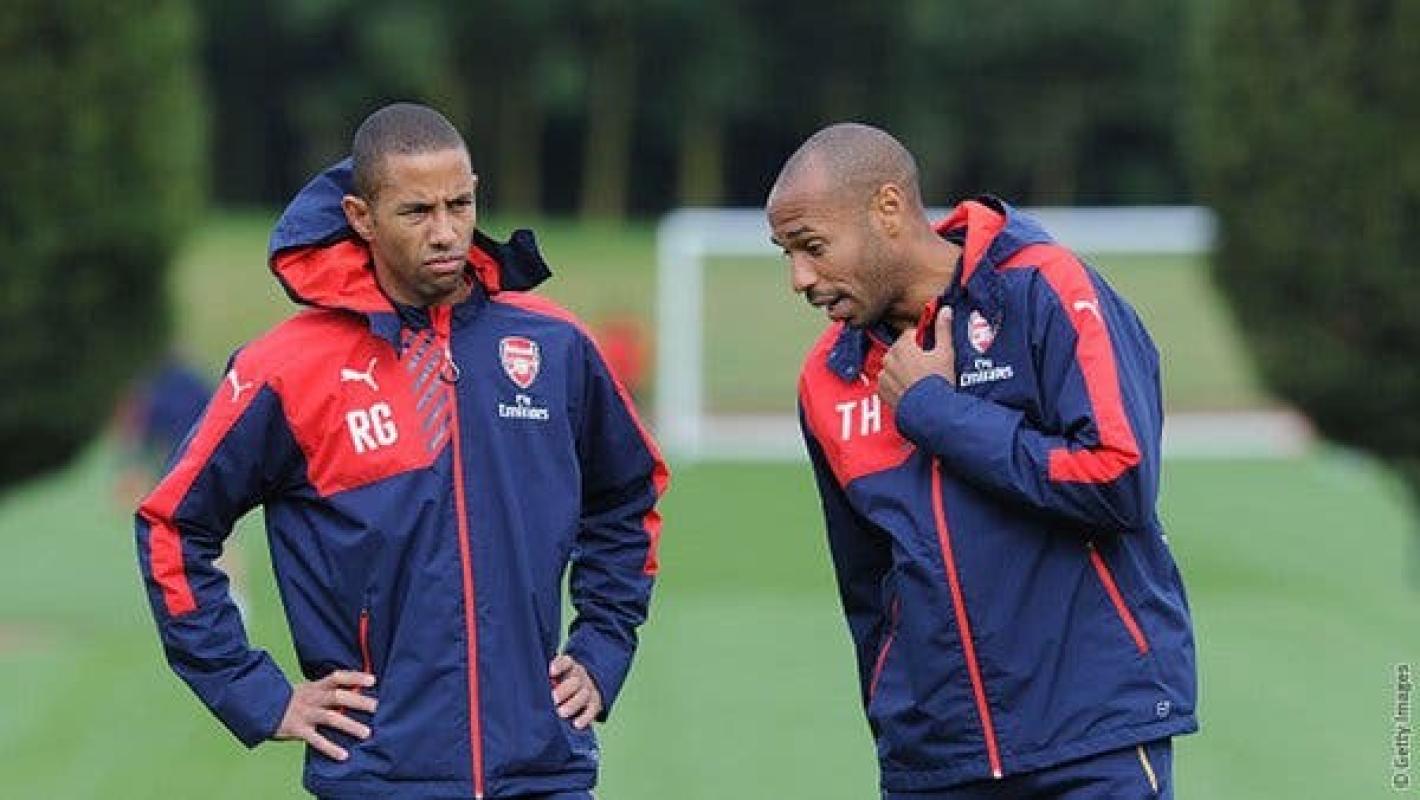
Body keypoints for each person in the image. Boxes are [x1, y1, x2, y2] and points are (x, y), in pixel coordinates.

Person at [136, 102, 668, 800]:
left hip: (544, 770)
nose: (445, 231)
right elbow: (173, 524)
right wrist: (256, 692)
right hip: (378, 774)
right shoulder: (287, 369)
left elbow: (628, 496)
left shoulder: (556, 346)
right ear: (361, 217)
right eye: (417, 211)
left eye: (460, 204)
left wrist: (601, 645)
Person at [768, 123, 1197, 799]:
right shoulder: (827, 377)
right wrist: (900, 724)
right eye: (786, 254)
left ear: (888, 209)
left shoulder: (1043, 287)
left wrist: (938, 413)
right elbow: (866, 585)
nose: (799, 278)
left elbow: (1119, 478)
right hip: (936, 764)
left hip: (1091, 744)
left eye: (813, 247)